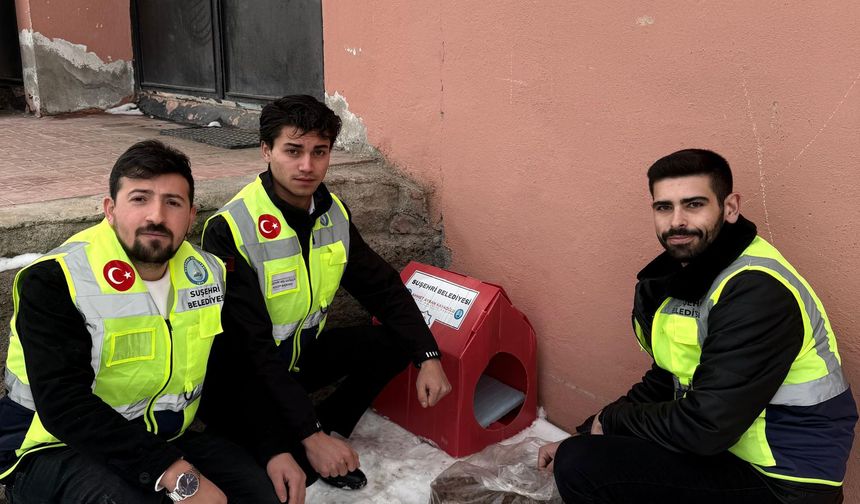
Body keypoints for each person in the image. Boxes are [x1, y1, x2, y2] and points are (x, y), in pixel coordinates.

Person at [538, 149, 857, 504]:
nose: (677, 221)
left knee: (582, 466)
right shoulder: (681, 279)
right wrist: (588, 430)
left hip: (786, 482)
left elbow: (706, 427)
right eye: (664, 207)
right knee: (585, 451)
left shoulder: (756, 290)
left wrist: (610, 422)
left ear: (730, 207)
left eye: (693, 205)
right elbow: (665, 380)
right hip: (724, 451)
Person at [0, 140, 288, 503]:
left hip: (161, 439)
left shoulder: (207, 274)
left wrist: (272, 446)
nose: (156, 215)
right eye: (139, 199)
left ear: (191, 215)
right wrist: (173, 473)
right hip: (50, 449)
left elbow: (229, 372)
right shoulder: (56, 279)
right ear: (110, 210)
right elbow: (63, 404)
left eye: (172, 202)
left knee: (262, 493)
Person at [199, 94, 452, 495]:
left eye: (320, 152)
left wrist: (428, 355)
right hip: (241, 378)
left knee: (393, 341)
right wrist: (308, 434)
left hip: (299, 358)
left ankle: (330, 430)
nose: (307, 166)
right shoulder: (230, 227)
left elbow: (383, 288)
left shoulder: (332, 212)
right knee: (290, 478)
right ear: (266, 150)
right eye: (293, 151)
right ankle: (306, 440)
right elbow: (250, 348)